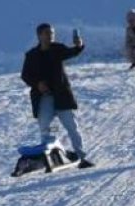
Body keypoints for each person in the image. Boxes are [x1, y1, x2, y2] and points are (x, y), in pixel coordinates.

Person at [21, 23, 93, 169]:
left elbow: (72, 52)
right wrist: (37, 84)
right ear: (39, 35)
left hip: (61, 97)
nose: (50, 36)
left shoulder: (58, 49)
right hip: (44, 98)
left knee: (72, 127)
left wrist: (79, 45)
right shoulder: (31, 55)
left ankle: (81, 157)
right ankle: (50, 157)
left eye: (52, 33)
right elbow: (25, 75)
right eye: (47, 33)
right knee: (46, 128)